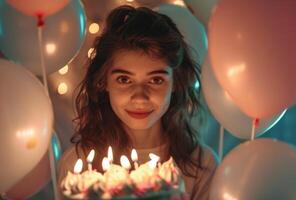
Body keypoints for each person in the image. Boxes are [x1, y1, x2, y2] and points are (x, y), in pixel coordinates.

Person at [58, 5, 218, 200]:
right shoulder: (77, 165)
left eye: (156, 80)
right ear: (103, 81)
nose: (140, 97)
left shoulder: (201, 165)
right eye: (124, 80)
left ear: (176, 82)